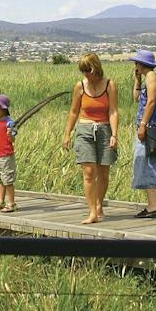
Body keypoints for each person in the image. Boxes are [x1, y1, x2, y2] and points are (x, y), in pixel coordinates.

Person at [62, 53, 119, 224]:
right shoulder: (80, 86)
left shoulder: (109, 85)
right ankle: (92, 212)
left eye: (88, 70)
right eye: (83, 71)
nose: (86, 74)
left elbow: (113, 111)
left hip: (104, 129)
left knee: (103, 173)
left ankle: (99, 204)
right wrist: (68, 134)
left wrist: (114, 134)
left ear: (96, 68)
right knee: (88, 173)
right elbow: (73, 111)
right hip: (85, 129)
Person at [129, 50, 156, 217]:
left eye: (136, 63)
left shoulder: (152, 77)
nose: (135, 66)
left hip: (150, 127)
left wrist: (143, 124)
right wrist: (136, 80)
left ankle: (152, 205)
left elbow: (151, 101)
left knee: (146, 162)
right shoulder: (147, 78)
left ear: (141, 64)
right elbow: (137, 98)